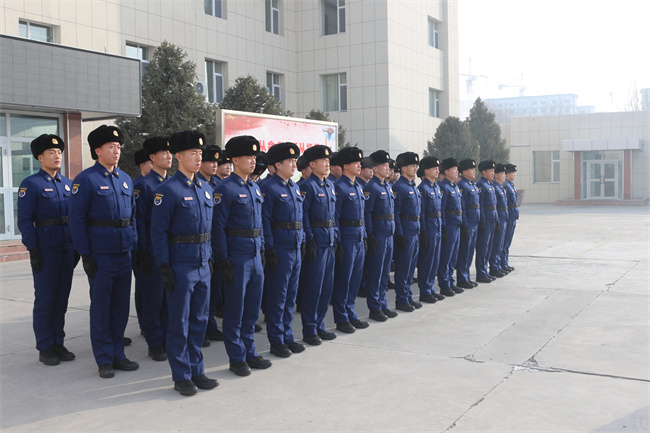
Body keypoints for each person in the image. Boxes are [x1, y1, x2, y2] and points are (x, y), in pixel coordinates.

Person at [150, 130, 217, 396]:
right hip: (180, 264)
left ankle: (197, 370)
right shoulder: (168, 190)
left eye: (200, 153)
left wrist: (210, 258)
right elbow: (158, 231)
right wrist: (164, 265)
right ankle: (181, 376)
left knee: (200, 320)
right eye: (193, 153)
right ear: (179, 156)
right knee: (179, 322)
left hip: (202, 263)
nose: (199, 158)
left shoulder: (205, 188)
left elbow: (210, 230)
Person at [69, 125, 138, 379]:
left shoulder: (125, 179)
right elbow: (77, 219)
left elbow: (132, 216)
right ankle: (104, 358)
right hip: (101, 255)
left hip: (124, 252)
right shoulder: (86, 180)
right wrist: (85, 254)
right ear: (97, 151)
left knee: (120, 307)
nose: (117, 150)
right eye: (111, 146)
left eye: (118, 147)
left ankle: (119, 354)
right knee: (101, 308)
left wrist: (134, 243)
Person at [213, 135, 272, 377]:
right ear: (235, 160)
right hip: (236, 257)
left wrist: (263, 249)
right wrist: (223, 259)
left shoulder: (255, 187)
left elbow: (260, 224)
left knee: (251, 310)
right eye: (248, 156)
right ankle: (236, 357)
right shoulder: (225, 189)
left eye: (254, 156)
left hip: (255, 256)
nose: (253, 160)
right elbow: (218, 227)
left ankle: (250, 352)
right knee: (235, 311)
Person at [18, 134, 77, 366]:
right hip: (46, 250)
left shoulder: (68, 184)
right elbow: (25, 220)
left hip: (67, 249)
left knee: (61, 299)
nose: (57, 156)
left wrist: (77, 246)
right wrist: (33, 249)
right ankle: (45, 346)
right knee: (45, 299)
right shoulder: (31, 184)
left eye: (59, 152)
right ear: (40, 157)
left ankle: (58, 342)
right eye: (51, 152)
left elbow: (76, 218)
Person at [260, 142, 306, 358]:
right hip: (280, 249)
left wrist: (303, 240)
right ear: (277, 164)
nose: (294, 164)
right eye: (290, 161)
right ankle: (277, 340)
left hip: (295, 248)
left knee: (290, 298)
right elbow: (265, 220)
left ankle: (288, 336)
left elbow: (299, 219)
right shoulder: (269, 188)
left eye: (295, 160)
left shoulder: (294, 187)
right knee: (277, 298)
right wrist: (269, 248)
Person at [134, 136, 173, 362]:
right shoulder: (144, 185)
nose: (169, 156)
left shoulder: (172, 183)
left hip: (171, 249)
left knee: (168, 298)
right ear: (152, 157)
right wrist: (142, 250)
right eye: (163, 153)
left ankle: (167, 337)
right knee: (153, 299)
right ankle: (155, 342)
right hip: (151, 250)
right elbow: (138, 220)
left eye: (170, 152)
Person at [299, 145, 338, 345]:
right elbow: (304, 215)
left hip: (329, 241)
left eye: (328, 161)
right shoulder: (308, 186)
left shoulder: (329, 185)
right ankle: (309, 329)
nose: (327, 164)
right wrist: (310, 239)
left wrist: (336, 235)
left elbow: (334, 215)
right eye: (323, 161)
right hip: (317, 242)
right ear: (312, 164)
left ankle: (320, 325)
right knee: (313, 288)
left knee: (326, 288)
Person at [332, 147, 369, 334]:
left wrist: (365, 236)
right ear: (345, 166)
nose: (359, 166)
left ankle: (350, 311)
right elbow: (335, 217)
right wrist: (338, 241)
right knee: (344, 279)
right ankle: (341, 317)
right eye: (356, 163)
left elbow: (362, 215)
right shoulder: (339, 187)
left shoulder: (358, 186)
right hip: (346, 237)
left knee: (354, 279)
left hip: (359, 236)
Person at [363, 150, 398, 322]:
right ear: (375, 168)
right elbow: (367, 213)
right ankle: (375, 307)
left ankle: (383, 304)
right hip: (378, 235)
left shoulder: (387, 186)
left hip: (388, 233)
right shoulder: (371, 187)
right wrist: (370, 235)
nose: (388, 168)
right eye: (384, 165)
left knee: (384, 273)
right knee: (376, 273)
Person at [197, 144, 224, 347]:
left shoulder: (218, 185)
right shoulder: (196, 184)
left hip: (216, 243)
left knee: (214, 289)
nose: (215, 165)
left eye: (216, 161)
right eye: (210, 161)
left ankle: (210, 323)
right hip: (201, 244)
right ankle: (201, 328)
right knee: (201, 293)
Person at [392, 152, 422, 312]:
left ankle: (408, 296)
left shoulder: (412, 186)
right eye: (412, 166)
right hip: (406, 231)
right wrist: (399, 233)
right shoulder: (399, 187)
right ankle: (402, 299)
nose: (415, 168)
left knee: (411, 267)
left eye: (416, 166)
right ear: (403, 168)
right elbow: (396, 212)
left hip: (415, 230)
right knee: (403, 267)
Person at [416, 156, 445, 304]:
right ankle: (425, 291)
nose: (437, 171)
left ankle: (431, 288)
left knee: (435, 260)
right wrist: (424, 231)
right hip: (429, 228)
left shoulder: (436, 187)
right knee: (427, 261)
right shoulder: (423, 188)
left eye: (438, 168)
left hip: (437, 226)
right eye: (434, 168)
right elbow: (421, 212)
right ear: (426, 171)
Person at [436, 158, 463, 298]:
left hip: (457, 225)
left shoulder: (454, 187)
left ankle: (451, 281)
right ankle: (444, 284)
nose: (456, 172)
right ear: (446, 172)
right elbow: (442, 209)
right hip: (450, 225)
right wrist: (444, 227)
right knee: (446, 257)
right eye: (454, 169)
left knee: (453, 256)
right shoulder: (444, 187)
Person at [132, 146, 152, 335]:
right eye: (150, 162)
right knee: (144, 287)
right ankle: (145, 324)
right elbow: (137, 220)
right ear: (142, 165)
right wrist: (140, 247)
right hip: (144, 243)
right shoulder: (138, 186)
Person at [456, 159, 480, 290]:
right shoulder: (462, 185)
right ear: (464, 172)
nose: (474, 171)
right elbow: (463, 207)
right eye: (471, 169)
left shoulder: (472, 185)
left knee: (470, 252)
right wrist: (464, 224)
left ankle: (467, 276)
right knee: (464, 252)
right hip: (468, 223)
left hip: (474, 222)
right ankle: (462, 278)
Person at [475, 160, 498, 284]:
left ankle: (485, 271)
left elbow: (494, 205)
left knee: (489, 247)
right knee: (483, 248)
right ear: (483, 172)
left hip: (492, 219)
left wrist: (496, 220)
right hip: (486, 220)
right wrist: (482, 221)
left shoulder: (490, 185)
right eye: (491, 171)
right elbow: (481, 205)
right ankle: (481, 273)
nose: (493, 173)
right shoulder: (481, 185)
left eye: (494, 171)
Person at [489, 163, 509, 277]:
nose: (504, 175)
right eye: (502, 173)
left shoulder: (500, 187)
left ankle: (498, 266)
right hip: (498, 218)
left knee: (501, 244)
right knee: (496, 245)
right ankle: (494, 267)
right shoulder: (495, 187)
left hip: (503, 217)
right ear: (496, 175)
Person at [502, 164, 519, 272]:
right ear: (507, 174)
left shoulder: (511, 185)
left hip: (513, 216)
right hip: (508, 216)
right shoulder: (505, 185)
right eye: (512, 173)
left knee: (508, 242)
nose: (514, 175)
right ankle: (502, 263)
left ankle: (505, 262)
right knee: (504, 242)